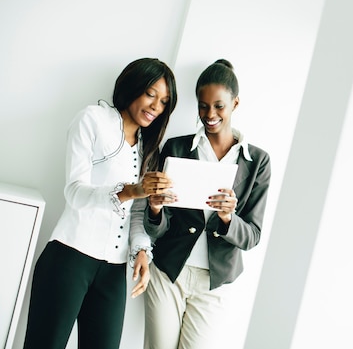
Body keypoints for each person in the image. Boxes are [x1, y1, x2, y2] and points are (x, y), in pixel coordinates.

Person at [23, 58, 178, 349]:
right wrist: (130, 190)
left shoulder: (148, 147)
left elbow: (137, 213)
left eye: (164, 101)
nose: (156, 106)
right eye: (151, 94)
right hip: (70, 256)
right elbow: (75, 192)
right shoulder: (92, 119)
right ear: (132, 85)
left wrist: (142, 250)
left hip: (113, 270)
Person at [141, 59, 271, 349]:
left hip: (215, 282)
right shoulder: (176, 148)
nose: (209, 114)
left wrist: (228, 218)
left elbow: (252, 236)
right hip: (168, 272)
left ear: (235, 104)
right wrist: (155, 209)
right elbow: (157, 229)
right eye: (203, 106)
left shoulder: (258, 162)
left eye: (219, 106)